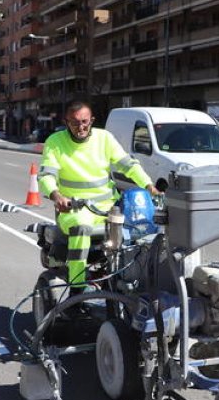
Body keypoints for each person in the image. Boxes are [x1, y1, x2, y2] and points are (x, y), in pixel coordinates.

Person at [37, 100, 159, 291]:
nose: (81, 127)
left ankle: (137, 283)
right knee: (81, 228)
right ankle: (76, 290)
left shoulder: (104, 138)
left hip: (109, 209)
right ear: (66, 122)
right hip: (74, 210)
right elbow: (46, 175)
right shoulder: (55, 142)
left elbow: (128, 165)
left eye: (85, 122)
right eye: (75, 123)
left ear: (92, 120)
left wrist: (148, 185)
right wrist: (56, 195)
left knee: (145, 228)